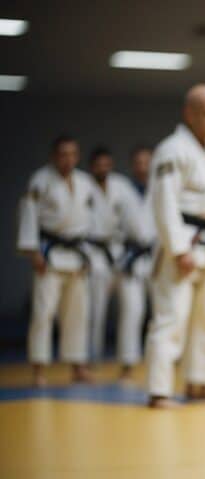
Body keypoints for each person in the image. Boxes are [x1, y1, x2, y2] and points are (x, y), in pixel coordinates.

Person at [145, 84, 205, 408]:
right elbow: (163, 203)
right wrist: (178, 249)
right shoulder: (172, 150)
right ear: (189, 114)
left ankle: (198, 382)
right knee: (171, 318)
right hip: (183, 246)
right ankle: (159, 390)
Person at [16, 135, 93, 386]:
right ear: (53, 156)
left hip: (76, 255)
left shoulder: (83, 181)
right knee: (43, 313)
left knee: (77, 313)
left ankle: (77, 366)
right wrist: (33, 251)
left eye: (73, 154)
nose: (68, 159)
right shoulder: (40, 180)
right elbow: (28, 215)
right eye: (63, 154)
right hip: (49, 254)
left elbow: (88, 222)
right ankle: (39, 370)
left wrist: (87, 254)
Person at [84, 147, 136, 365]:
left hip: (119, 250)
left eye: (106, 164)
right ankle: (91, 358)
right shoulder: (83, 186)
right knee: (95, 310)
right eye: (99, 165)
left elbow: (133, 219)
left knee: (131, 307)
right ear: (91, 166)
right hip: (93, 251)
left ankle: (128, 359)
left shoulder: (121, 186)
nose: (103, 169)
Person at [117, 146, 157, 381]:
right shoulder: (122, 190)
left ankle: (160, 363)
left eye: (147, 162)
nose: (143, 166)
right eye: (138, 162)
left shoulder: (161, 188)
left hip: (157, 256)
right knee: (132, 311)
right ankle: (128, 364)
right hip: (131, 256)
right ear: (133, 165)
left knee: (162, 313)